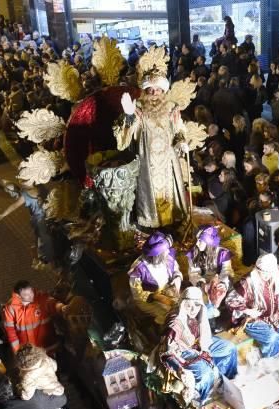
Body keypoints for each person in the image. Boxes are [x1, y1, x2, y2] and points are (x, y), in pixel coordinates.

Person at [115, 47, 190, 228]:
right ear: (145, 91)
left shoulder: (171, 108)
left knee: (170, 194)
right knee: (149, 194)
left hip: (168, 162)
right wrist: (129, 116)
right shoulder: (138, 110)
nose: (155, 94)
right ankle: (151, 224)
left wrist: (181, 141)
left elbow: (179, 129)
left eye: (158, 90)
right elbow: (126, 134)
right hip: (147, 163)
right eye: (151, 90)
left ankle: (171, 223)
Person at [158, 287, 238, 402]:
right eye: (188, 306)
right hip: (182, 350)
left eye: (197, 305)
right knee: (205, 374)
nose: (193, 310)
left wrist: (215, 302)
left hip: (200, 343)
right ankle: (202, 399)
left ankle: (226, 382)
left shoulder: (200, 310)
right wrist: (180, 369)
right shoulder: (175, 323)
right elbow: (166, 352)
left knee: (230, 348)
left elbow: (209, 314)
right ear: (182, 304)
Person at [225, 254, 279, 358]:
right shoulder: (247, 282)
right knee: (272, 339)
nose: (266, 276)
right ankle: (273, 363)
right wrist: (248, 311)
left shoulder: (278, 275)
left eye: (269, 273)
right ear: (257, 269)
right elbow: (230, 299)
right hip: (255, 318)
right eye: (263, 273)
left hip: (276, 314)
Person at [0, 183, 55, 267]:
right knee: (43, 236)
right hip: (50, 214)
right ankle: (42, 256)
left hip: (39, 219)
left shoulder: (25, 194)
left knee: (42, 237)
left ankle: (46, 258)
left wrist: (3, 214)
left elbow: (14, 206)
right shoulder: (40, 186)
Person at [128, 232, 183, 325]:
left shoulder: (168, 258)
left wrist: (177, 277)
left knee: (182, 306)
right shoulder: (139, 268)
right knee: (168, 313)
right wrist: (156, 296)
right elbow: (137, 294)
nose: (168, 252)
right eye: (165, 250)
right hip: (147, 299)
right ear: (157, 255)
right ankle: (163, 334)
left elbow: (176, 270)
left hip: (167, 290)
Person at [2, 281, 63, 354]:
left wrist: (62, 307)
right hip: (29, 352)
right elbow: (11, 333)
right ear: (18, 296)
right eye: (26, 295)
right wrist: (17, 352)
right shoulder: (11, 308)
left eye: (31, 292)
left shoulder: (40, 298)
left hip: (49, 347)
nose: (31, 296)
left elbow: (51, 303)